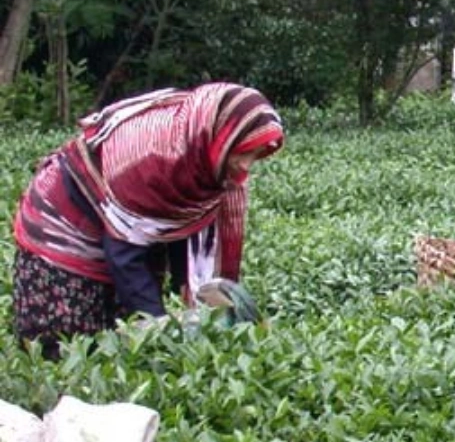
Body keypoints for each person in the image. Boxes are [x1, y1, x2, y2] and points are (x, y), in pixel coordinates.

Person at [11, 83, 285, 358]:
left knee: (125, 343)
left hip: (129, 235)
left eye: (256, 155)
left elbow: (186, 228)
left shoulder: (202, 160)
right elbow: (124, 252)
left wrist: (196, 304)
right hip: (65, 225)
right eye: (243, 152)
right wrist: (156, 321)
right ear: (220, 137)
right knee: (70, 347)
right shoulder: (148, 156)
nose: (246, 165)